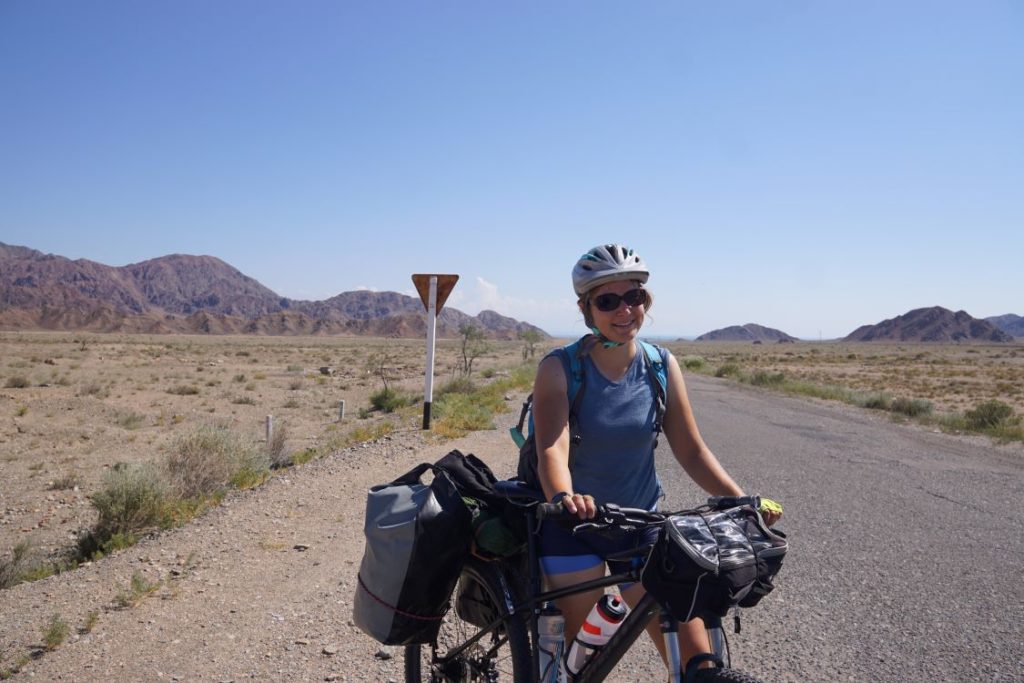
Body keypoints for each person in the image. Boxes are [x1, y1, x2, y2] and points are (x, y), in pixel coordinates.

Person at [532, 243, 782, 674]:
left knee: (696, 656)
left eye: (635, 297)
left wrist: (743, 501)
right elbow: (552, 448)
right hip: (573, 525)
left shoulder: (660, 365)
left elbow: (692, 449)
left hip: (639, 523)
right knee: (589, 658)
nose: (625, 310)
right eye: (608, 301)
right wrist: (565, 497)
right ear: (585, 308)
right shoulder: (559, 369)